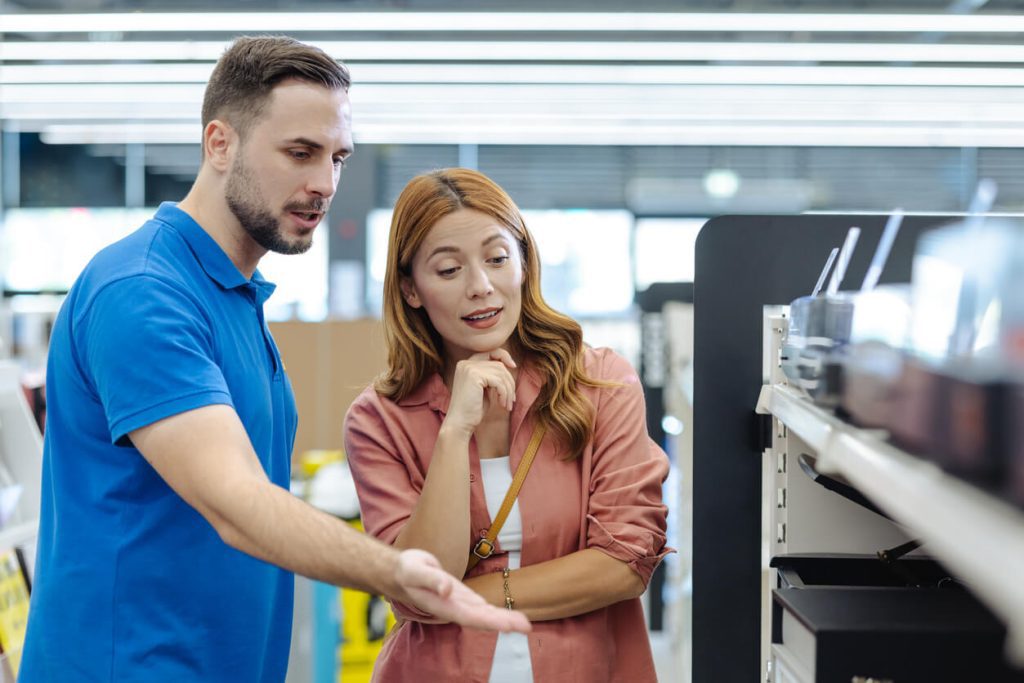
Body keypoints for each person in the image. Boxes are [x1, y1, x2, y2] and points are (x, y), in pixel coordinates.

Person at [20, 38, 528, 683]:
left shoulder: (232, 295)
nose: (324, 183)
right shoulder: (144, 293)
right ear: (219, 144)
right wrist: (399, 570)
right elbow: (237, 504)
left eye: (338, 157)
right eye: (300, 153)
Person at [344, 167, 672, 682]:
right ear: (411, 289)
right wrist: (454, 432)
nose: (481, 287)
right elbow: (418, 578)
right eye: (449, 270)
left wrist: (463, 598)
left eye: (497, 259)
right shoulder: (379, 419)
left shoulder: (600, 382)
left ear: (523, 263)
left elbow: (624, 564)